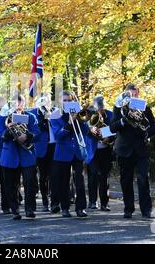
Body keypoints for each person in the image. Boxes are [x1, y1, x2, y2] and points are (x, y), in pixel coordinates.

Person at [110, 83, 155, 219]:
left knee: (143, 179)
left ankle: (146, 210)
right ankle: (128, 209)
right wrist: (124, 120)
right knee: (126, 181)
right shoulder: (118, 108)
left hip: (140, 150)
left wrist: (146, 133)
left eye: (135, 94)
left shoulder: (144, 108)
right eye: (129, 94)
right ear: (124, 95)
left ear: (138, 94)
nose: (132, 96)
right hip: (124, 150)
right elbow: (112, 128)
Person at [0, 94, 40, 220]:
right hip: (10, 155)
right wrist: (9, 130)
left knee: (30, 183)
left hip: (27, 154)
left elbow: (37, 133)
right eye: (15, 103)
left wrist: (27, 136)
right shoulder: (3, 117)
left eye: (20, 103)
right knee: (11, 185)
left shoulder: (31, 117)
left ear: (23, 104)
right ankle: (15, 209)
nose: (18, 106)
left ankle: (30, 209)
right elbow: (0, 137)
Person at [50, 90, 89, 218]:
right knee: (64, 181)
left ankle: (80, 208)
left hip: (77, 151)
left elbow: (85, 131)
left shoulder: (77, 113)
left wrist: (80, 119)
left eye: (69, 100)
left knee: (80, 180)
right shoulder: (55, 115)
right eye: (64, 100)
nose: (67, 102)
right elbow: (58, 135)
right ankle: (65, 208)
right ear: (60, 101)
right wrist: (68, 123)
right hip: (62, 152)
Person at [86, 95, 114, 211]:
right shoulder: (89, 113)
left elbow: (114, 129)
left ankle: (104, 203)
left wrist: (104, 133)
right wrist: (91, 130)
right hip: (93, 150)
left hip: (106, 150)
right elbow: (84, 129)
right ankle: (92, 201)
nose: (99, 110)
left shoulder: (111, 114)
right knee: (92, 175)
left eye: (101, 107)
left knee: (104, 177)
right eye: (98, 107)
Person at [30, 96, 55, 212]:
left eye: (47, 103)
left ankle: (54, 201)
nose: (46, 106)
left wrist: (51, 118)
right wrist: (45, 120)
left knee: (54, 176)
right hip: (42, 149)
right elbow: (37, 131)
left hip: (54, 148)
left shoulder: (55, 112)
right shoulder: (35, 115)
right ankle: (45, 201)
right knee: (43, 177)